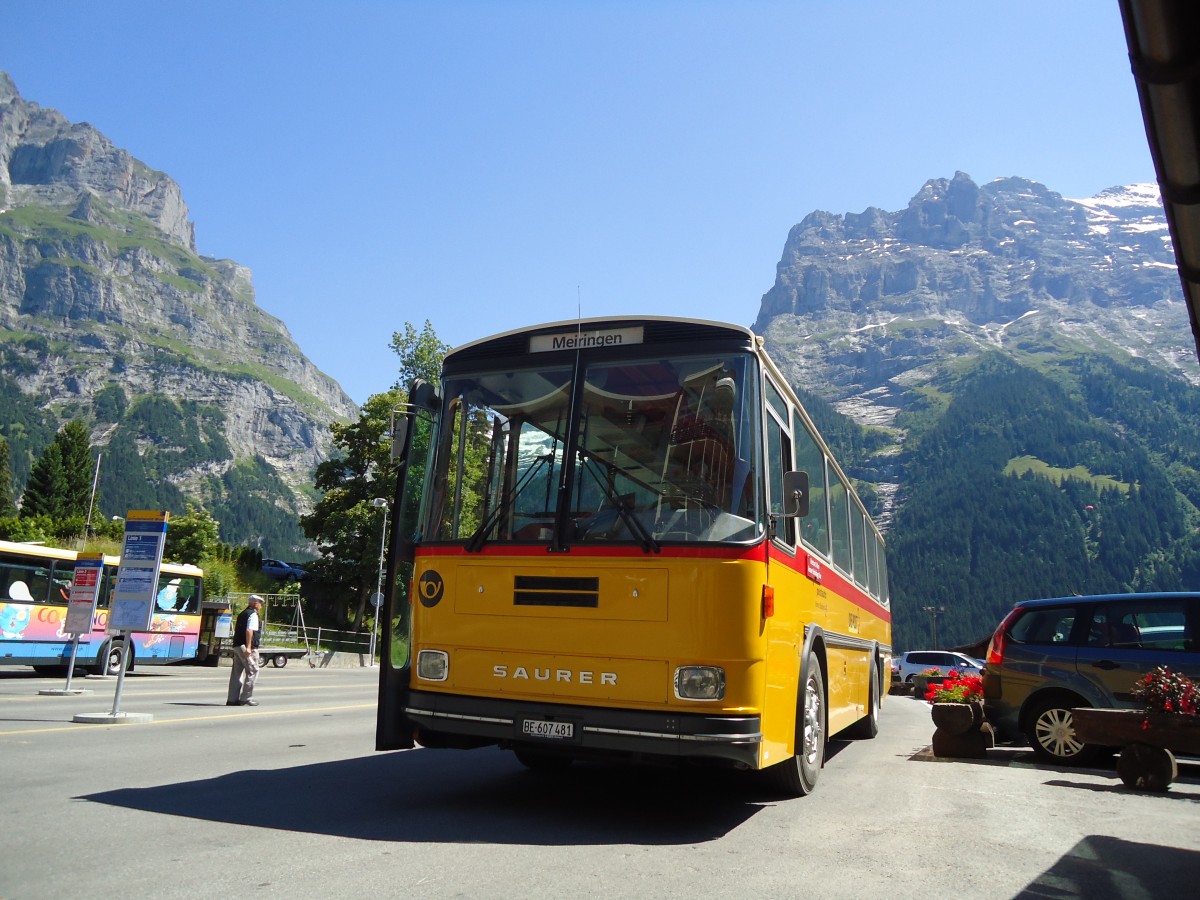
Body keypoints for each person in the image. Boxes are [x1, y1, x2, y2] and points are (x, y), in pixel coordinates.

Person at [226, 594, 264, 706]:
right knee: (253, 670)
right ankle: (246, 698)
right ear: (256, 604)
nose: (261, 606)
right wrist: (248, 647)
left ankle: (232, 699)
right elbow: (249, 631)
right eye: (260, 604)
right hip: (246, 648)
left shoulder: (243, 613)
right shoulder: (253, 614)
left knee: (236, 672)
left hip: (237, 645)